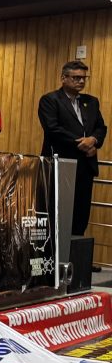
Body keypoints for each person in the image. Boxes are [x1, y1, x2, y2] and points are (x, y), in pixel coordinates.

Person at [39, 60, 107, 237]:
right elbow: (53, 129)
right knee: (57, 215)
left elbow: (101, 128)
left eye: (84, 78)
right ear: (63, 78)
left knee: (80, 215)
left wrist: (93, 140)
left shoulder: (91, 101)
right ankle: (55, 253)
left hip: (85, 166)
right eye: (76, 78)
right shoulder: (50, 100)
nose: (81, 81)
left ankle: (76, 253)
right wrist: (83, 144)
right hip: (60, 165)